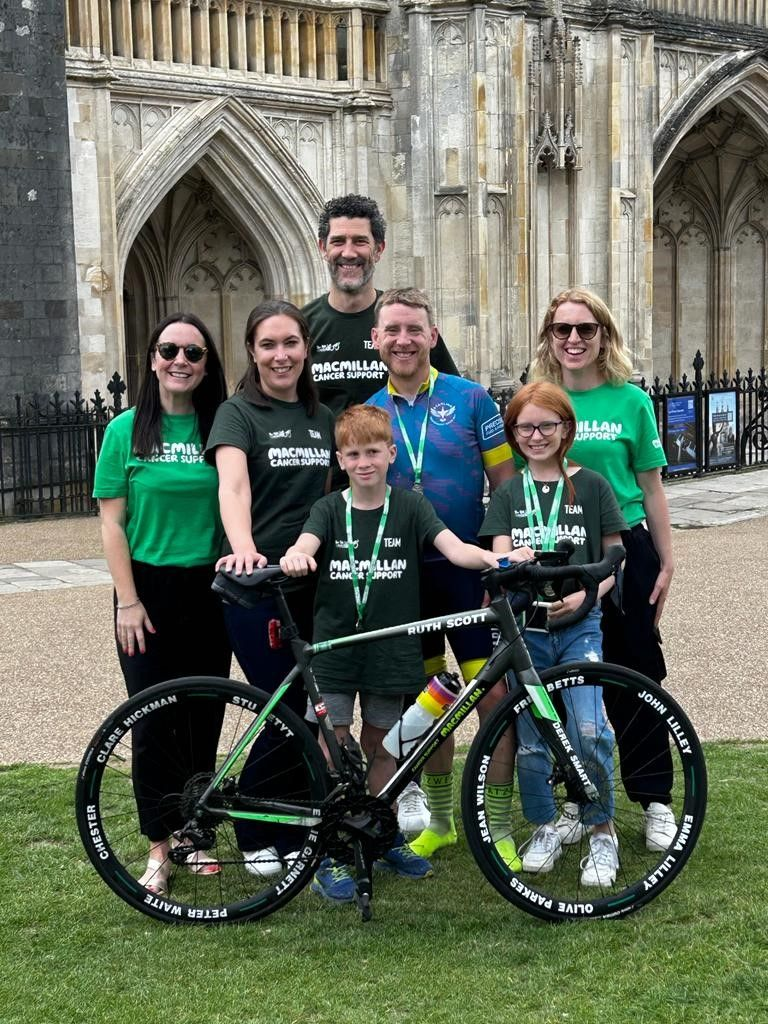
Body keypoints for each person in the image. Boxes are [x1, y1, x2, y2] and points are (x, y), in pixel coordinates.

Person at [280, 404, 504, 903]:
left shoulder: (409, 506)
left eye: (373, 452)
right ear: (340, 459)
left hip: (390, 650)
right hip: (338, 652)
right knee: (335, 751)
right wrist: (299, 554)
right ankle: (331, 851)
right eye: (354, 454)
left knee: (385, 747)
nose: (364, 463)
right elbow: (307, 542)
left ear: (391, 454)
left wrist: (494, 556)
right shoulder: (328, 509)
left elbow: (453, 548)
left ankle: (374, 834)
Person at [367, 287, 515, 859]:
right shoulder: (369, 413)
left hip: (467, 573)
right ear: (376, 340)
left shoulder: (472, 398)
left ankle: (499, 826)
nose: (404, 340)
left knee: (493, 695)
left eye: (415, 329)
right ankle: (441, 820)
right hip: (407, 582)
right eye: (393, 330)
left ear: (433, 336)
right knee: (431, 703)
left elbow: (505, 488)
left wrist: (497, 562)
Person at [531, 288, 677, 851]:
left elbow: (651, 486)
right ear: (548, 336)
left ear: (604, 336)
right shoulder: (537, 399)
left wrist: (667, 561)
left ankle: (655, 799)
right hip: (561, 552)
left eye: (585, 329)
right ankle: (579, 800)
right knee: (569, 681)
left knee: (638, 674)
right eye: (562, 329)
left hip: (627, 550)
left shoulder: (630, 401)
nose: (573, 339)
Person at [93, 311, 231, 897]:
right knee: (151, 721)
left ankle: (194, 835)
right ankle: (158, 842)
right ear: (151, 359)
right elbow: (111, 524)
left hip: (207, 589)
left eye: (193, 353)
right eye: (169, 350)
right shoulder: (126, 429)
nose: (180, 360)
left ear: (206, 366)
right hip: (145, 591)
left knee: (203, 716)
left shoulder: (219, 426)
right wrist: (128, 600)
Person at [205, 299, 335, 877]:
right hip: (258, 584)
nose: (280, 355)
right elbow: (232, 487)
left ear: (306, 349)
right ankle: (256, 830)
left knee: (311, 709)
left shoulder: (323, 416)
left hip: (316, 580)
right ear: (253, 352)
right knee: (277, 706)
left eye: (290, 343)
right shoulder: (238, 413)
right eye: (268, 345)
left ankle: (295, 817)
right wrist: (242, 547)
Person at [479, 381, 627, 886]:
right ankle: (544, 825)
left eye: (547, 425)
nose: (537, 435)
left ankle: (601, 830)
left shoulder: (591, 485)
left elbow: (612, 557)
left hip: (579, 624)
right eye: (526, 426)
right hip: (527, 631)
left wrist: (588, 595)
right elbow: (498, 557)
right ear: (514, 433)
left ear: (566, 428)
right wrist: (509, 562)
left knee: (588, 728)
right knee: (532, 736)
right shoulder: (507, 491)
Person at [302, 193, 459, 421]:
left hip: (404, 455)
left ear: (378, 249)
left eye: (360, 241)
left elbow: (452, 393)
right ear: (323, 248)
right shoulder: (302, 326)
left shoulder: (406, 320)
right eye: (338, 241)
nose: (348, 252)